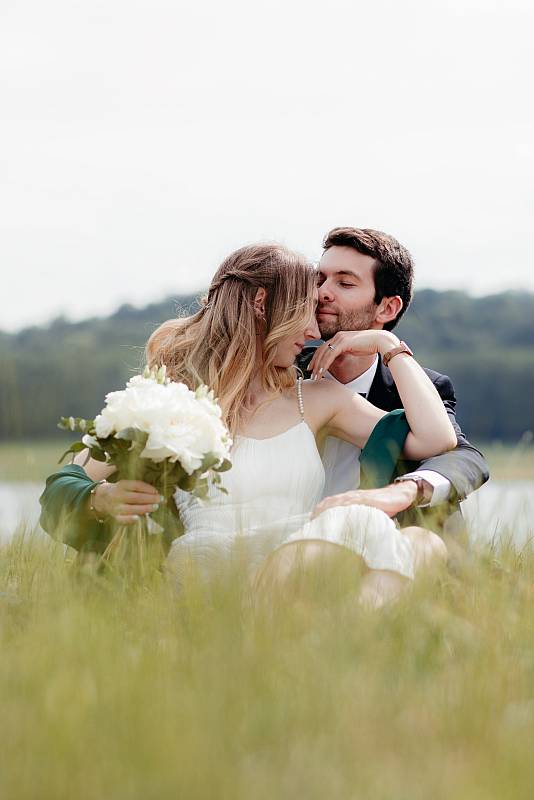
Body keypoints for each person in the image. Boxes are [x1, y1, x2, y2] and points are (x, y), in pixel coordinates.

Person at [40, 243, 456, 606]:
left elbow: (437, 438)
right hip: (212, 570)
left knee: (420, 544)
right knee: (359, 530)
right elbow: (64, 485)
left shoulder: (315, 398)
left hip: (301, 559)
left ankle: (329, 649)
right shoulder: (169, 400)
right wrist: (102, 498)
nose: (313, 330)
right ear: (261, 304)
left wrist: (389, 346)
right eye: (302, 312)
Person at [298, 227, 489, 541]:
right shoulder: (280, 371)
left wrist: (388, 345)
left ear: (387, 308)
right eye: (319, 280)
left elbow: (462, 456)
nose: (323, 293)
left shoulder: (420, 388)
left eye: (344, 283)